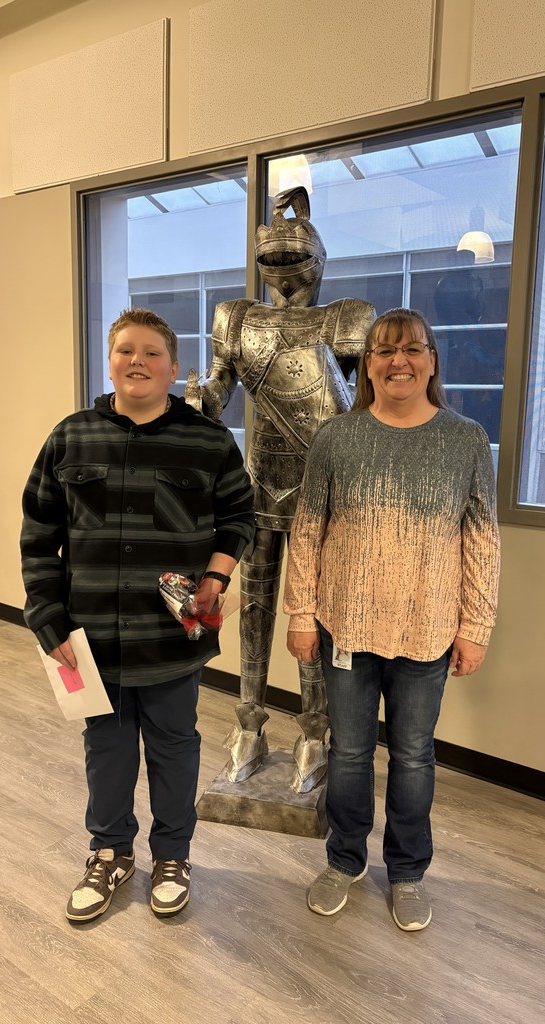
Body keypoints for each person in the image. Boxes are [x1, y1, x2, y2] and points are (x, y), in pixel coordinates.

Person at [20, 308, 255, 922]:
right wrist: (45, 616)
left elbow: (238, 519)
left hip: (172, 639)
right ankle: (110, 852)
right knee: (108, 747)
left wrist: (217, 574)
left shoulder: (209, 442)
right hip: (89, 638)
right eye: (127, 350)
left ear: (173, 368)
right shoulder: (70, 437)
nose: (138, 362)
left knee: (175, 748)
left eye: (152, 353)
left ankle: (173, 856)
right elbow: (39, 532)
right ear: (111, 360)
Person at [283, 307, 500, 931]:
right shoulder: (336, 437)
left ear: (431, 362)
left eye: (412, 350)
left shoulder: (464, 440)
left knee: (412, 758)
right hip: (345, 626)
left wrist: (475, 626)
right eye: (383, 351)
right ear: (367, 365)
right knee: (348, 754)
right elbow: (308, 532)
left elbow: (481, 540)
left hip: (428, 629)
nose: (397, 361)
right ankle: (344, 860)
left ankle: (406, 871)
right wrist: (301, 613)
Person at [195, 186, 374, 792]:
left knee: (312, 614)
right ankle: (249, 720)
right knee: (255, 610)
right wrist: (202, 399)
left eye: (291, 257)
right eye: (270, 260)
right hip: (261, 484)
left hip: (322, 492)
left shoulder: (345, 316)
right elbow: (220, 388)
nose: (281, 271)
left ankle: (315, 730)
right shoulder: (236, 317)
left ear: (316, 260)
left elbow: (360, 409)